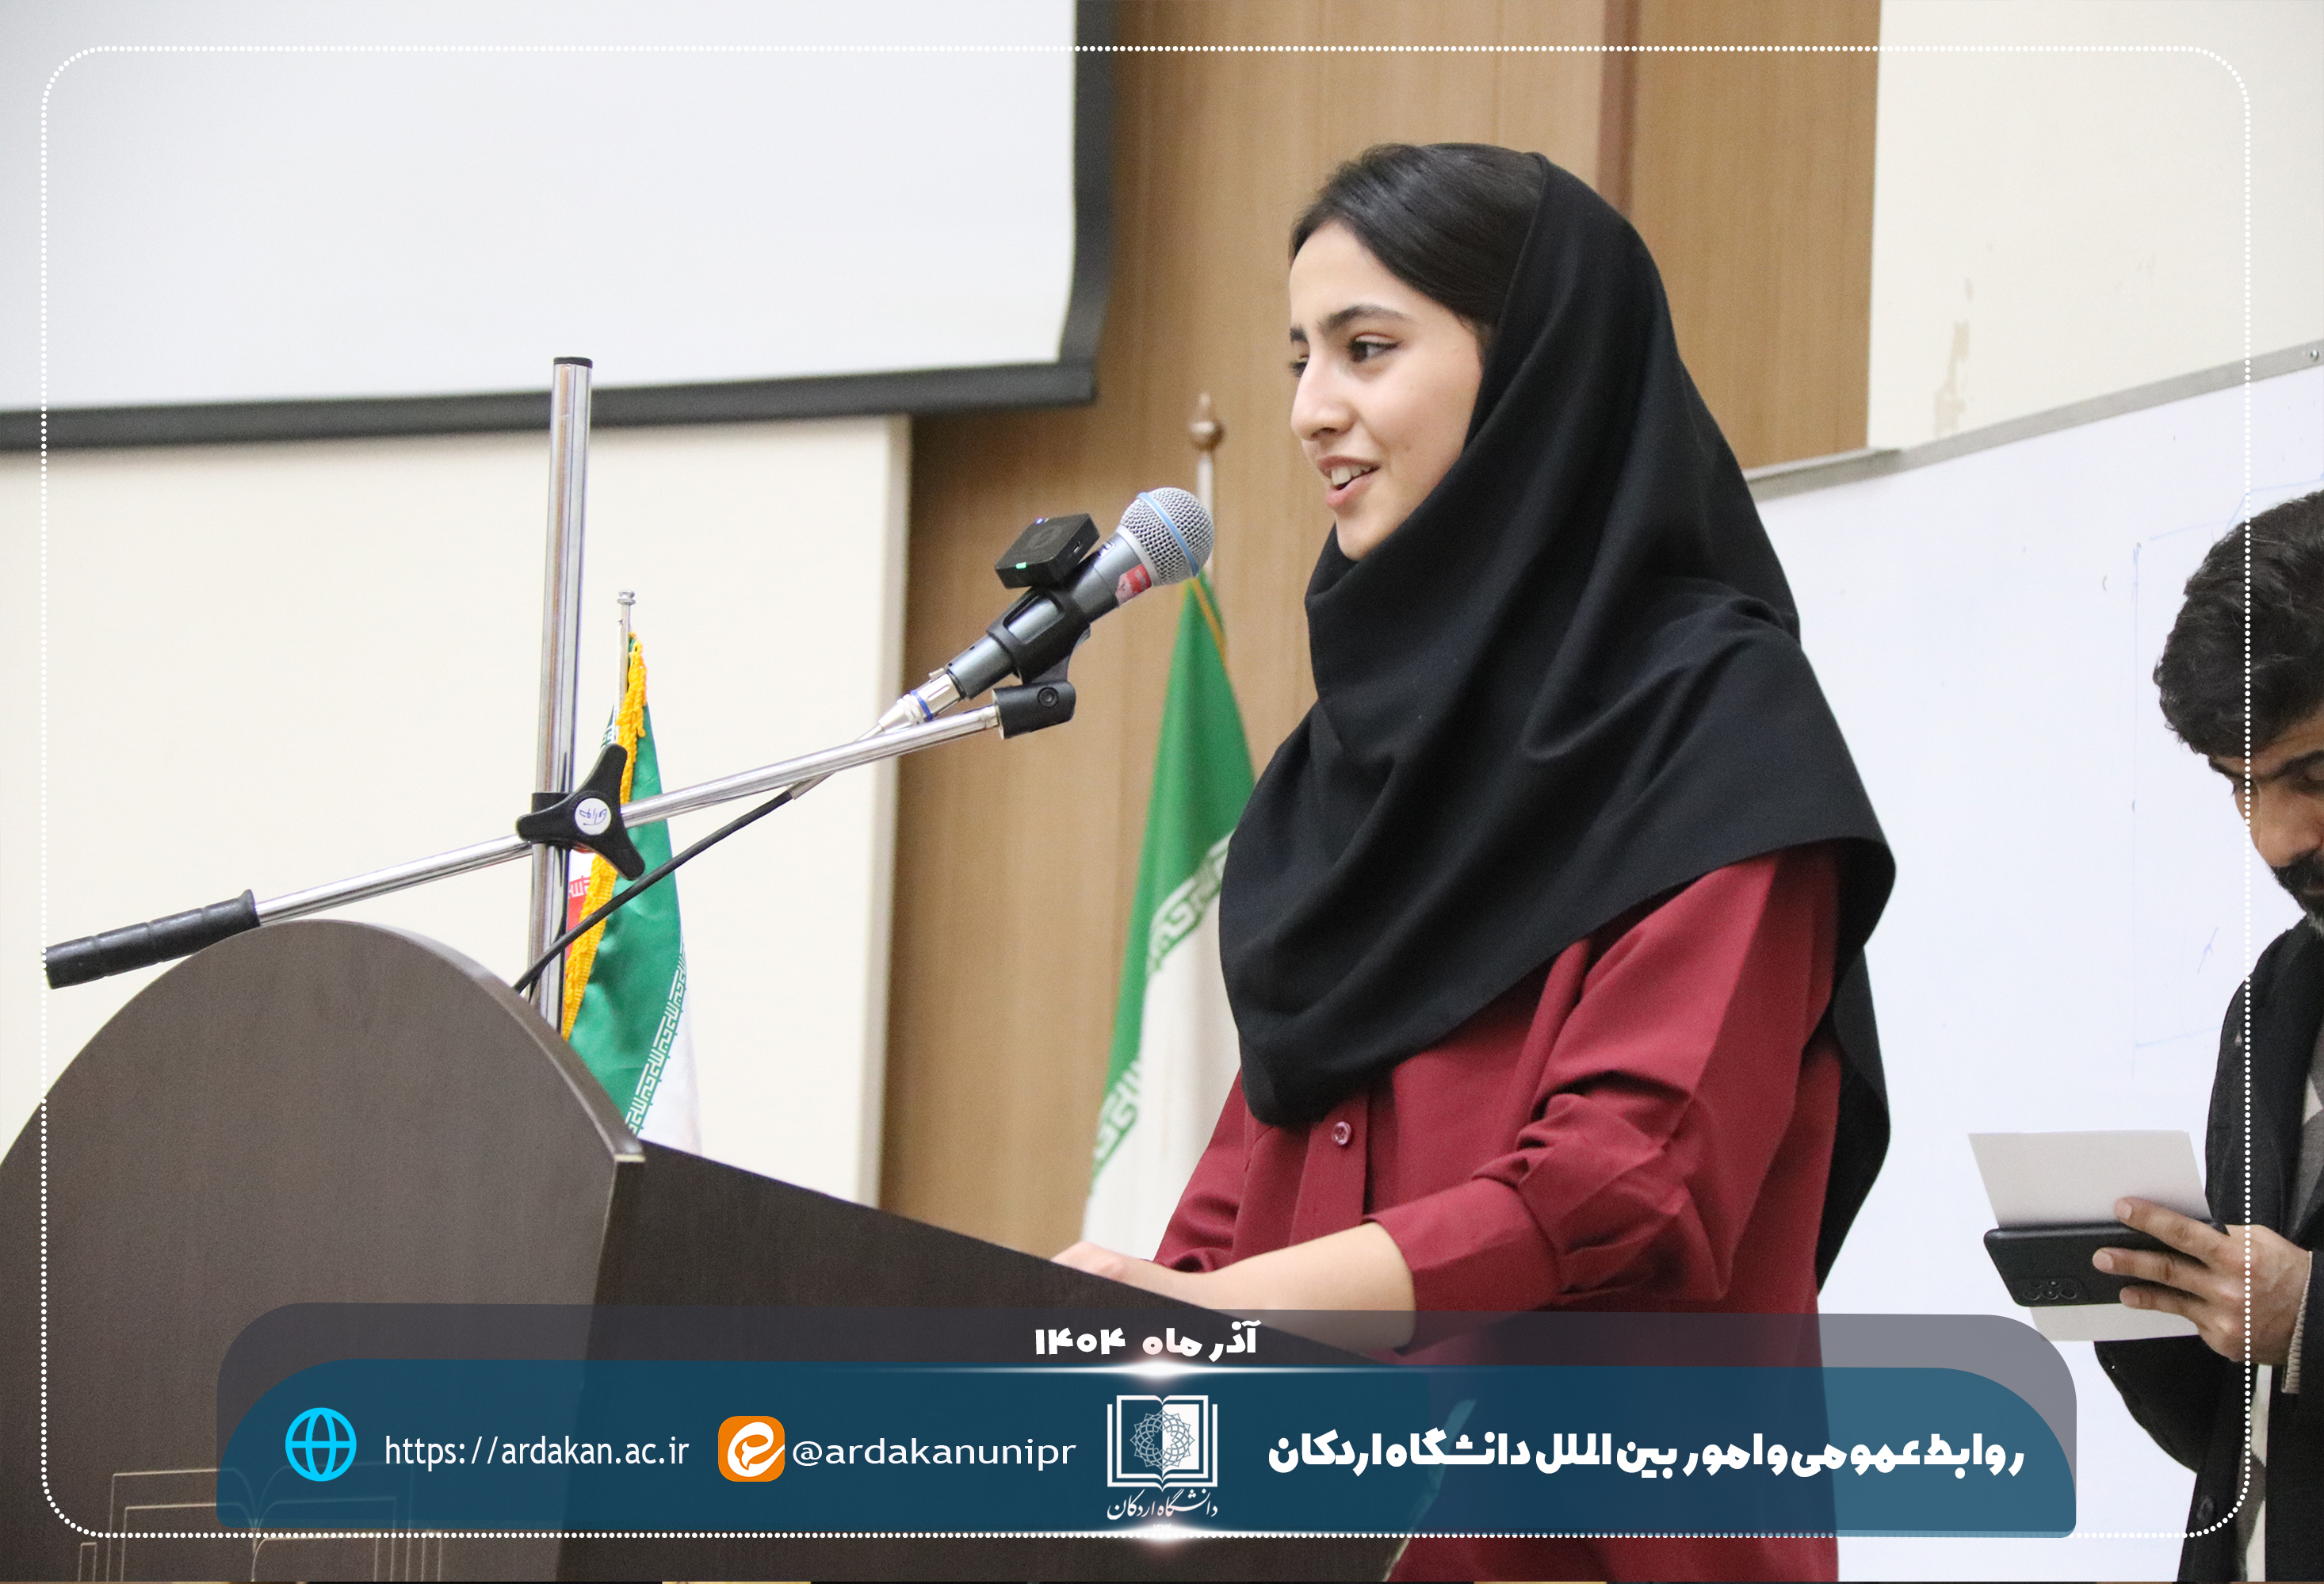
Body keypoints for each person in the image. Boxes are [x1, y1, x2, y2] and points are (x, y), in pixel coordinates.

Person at [1054, 143, 1894, 1582]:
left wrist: (1234, 1312)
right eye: (1300, 357)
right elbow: (1254, 1170)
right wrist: (1131, 1317)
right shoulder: (1339, 773)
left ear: (1538, 367)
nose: (1311, 409)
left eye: (1368, 348)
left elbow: (1621, 1187)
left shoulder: (1718, 730)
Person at [2097, 489, 2324, 1582]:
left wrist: (2309, 1315)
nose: (2278, 840)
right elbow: (2249, 1433)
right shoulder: (2274, 999)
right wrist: (2155, 1311)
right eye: (2242, 789)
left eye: (2314, 778)